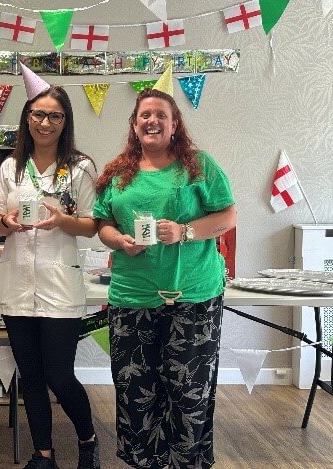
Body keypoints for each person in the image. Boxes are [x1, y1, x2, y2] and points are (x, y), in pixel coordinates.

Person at [92, 67, 237, 469]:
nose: (152, 120)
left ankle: (187, 463)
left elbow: (228, 216)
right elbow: (101, 224)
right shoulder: (117, 174)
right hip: (132, 297)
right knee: (135, 390)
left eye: (161, 115)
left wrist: (186, 232)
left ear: (175, 126)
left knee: (189, 393)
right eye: (144, 115)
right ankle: (143, 463)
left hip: (193, 295)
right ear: (134, 125)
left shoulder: (199, 167)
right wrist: (118, 240)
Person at [0, 64, 101, 469]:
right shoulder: (10, 167)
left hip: (59, 286)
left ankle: (87, 440)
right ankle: (43, 454)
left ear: (65, 122)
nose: (46, 122)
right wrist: (8, 222)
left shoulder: (81, 168)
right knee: (30, 378)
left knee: (59, 374)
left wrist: (62, 221)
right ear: (27, 119)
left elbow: (92, 225)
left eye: (55, 115)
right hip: (18, 284)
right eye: (38, 114)